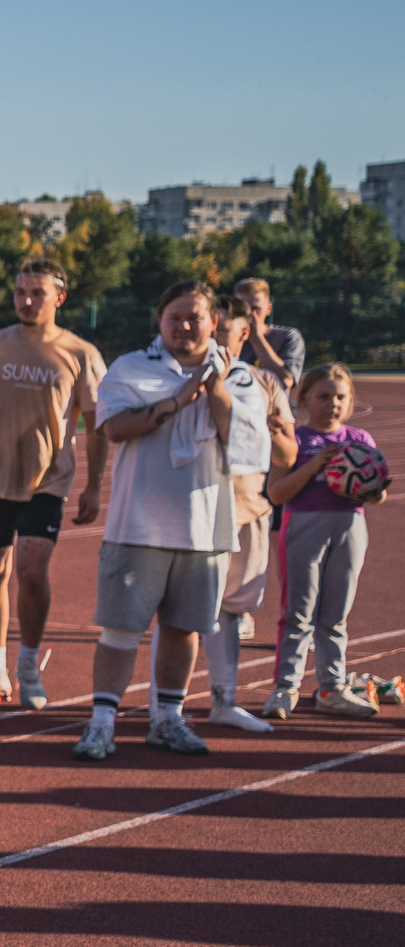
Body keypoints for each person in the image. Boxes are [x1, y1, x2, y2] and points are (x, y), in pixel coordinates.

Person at [74, 281, 236, 761]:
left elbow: (245, 444)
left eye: (195, 317)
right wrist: (180, 399)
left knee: (184, 629)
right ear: (159, 321)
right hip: (137, 524)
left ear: (212, 322)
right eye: (175, 317)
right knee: (120, 630)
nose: (185, 325)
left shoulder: (235, 374)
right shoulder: (129, 368)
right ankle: (102, 723)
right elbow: (113, 428)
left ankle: (167, 718)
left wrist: (217, 389)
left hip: (203, 526)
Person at [0, 258, 107, 709]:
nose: (26, 300)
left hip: (48, 479)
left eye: (37, 293)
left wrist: (94, 485)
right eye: (20, 292)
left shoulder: (81, 354)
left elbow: (96, 424)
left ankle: (28, 665)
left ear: (59, 297)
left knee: (29, 569)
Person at [266, 363, 384, 719]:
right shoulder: (295, 439)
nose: (332, 403)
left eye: (340, 397)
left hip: (350, 526)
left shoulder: (360, 439)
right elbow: (276, 492)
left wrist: (368, 484)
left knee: (335, 615)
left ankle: (331, 688)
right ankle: (285, 688)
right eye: (323, 396)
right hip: (303, 525)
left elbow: (375, 497)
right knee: (298, 613)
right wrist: (316, 464)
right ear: (303, 399)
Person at [202, 294, 295, 730]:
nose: (218, 341)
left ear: (243, 333)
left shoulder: (264, 381)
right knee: (186, 609)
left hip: (251, 508)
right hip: (199, 505)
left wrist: (274, 434)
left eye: (226, 333)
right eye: (213, 332)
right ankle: (168, 707)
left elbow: (289, 454)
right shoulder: (190, 375)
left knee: (233, 612)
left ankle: (224, 702)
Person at [234, 276, 304, 389]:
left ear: (268, 309)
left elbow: (286, 380)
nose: (249, 315)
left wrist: (256, 337)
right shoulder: (224, 336)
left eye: (255, 309)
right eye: (242, 309)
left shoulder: (288, 337)